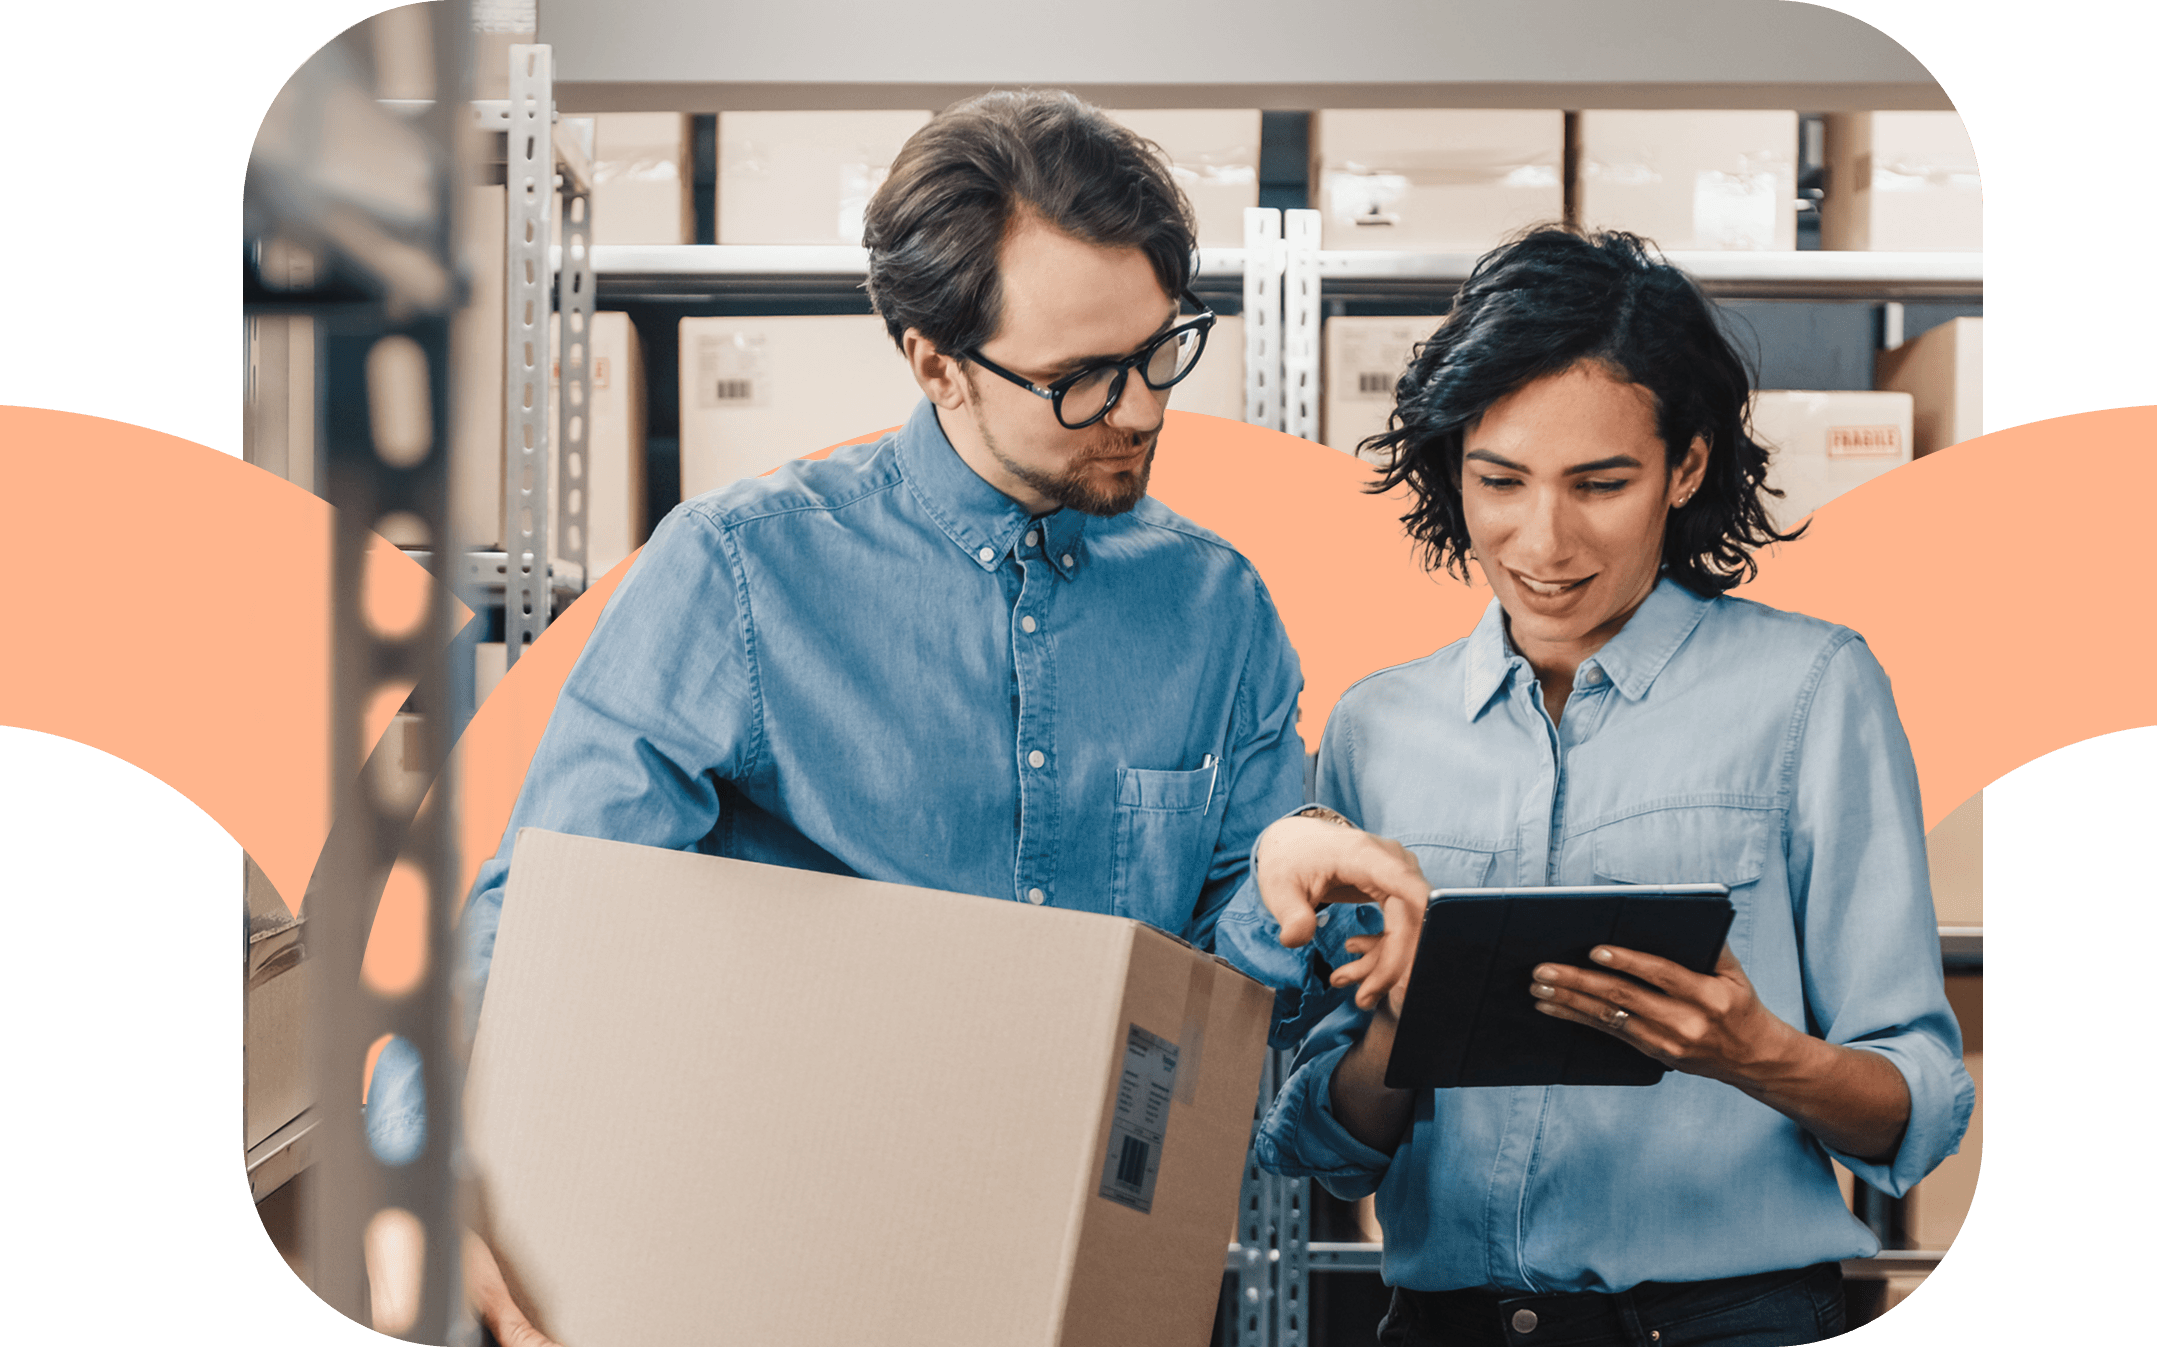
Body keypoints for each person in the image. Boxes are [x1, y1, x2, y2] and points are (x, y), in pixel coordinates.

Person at [371, 89, 1415, 1347]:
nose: (1140, 408)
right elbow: (534, 930)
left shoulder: (1218, 611)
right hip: (787, 1286)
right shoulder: (743, 577)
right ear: (932, 361)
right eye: (1081, 379)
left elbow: (1222, 1027)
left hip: (1101, 1299)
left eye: (1158, 351)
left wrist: (1286, 893)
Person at [1214, 229, 1975, 1347]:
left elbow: (1918, 1105)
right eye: (1499, 481)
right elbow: (1329, 1146)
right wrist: (1395, 1032)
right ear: (1451, 468)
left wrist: (1753, 1053)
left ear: (1689, 465)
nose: (1544, 539)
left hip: (1729, 1322)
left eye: (1601, 484)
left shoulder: (1812, 691)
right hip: (1443, 1325)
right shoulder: (1378, 726)